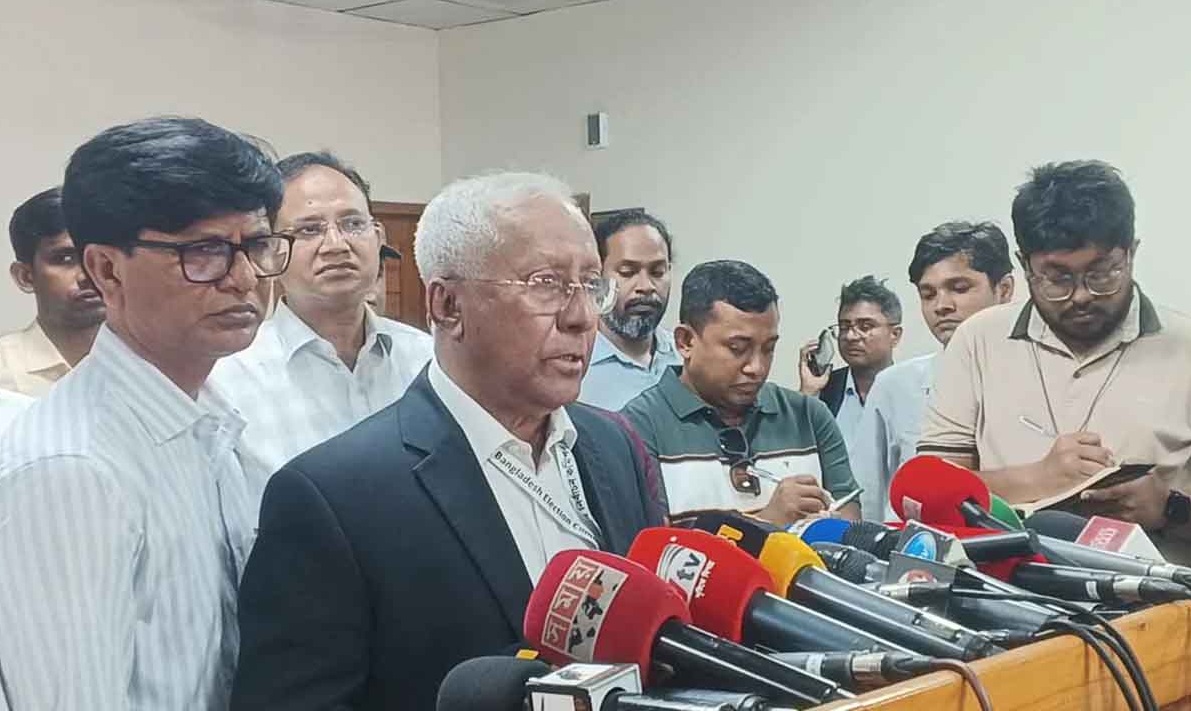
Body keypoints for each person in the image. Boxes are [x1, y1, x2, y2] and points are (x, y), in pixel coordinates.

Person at [231, 172, 663, 710]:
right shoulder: (333, 497)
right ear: (448, 306)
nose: (581, 318)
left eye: (591, 285)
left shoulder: (613, 446)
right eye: (546, 284)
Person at [0, 117, 289, 708]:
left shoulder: (212, 421)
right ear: (107, 270)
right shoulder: (72, 470)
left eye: (257, 246)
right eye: (204, 252)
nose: (243, 279)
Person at [918, 160, 1191, 561]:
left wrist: (1169, 508)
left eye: (1102, 273)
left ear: (1131, 253)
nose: (1081, 295)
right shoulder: (978, 339)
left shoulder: (1183, 346)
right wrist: (1040, 478)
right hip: (1006, 589)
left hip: (1158, 593)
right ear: (1024, 265)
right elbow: (925, 495)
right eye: (1057, 278)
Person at [212, 152, 432, 476]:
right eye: (309, 230)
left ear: (378, 238)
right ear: (270, 250)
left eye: (353, 224)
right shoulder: (227, 379)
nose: (336, 245)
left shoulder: (429, 360)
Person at [621, 260, 859, 526]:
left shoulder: (809, 416)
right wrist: (767, 523)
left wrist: (826, 524)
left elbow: (851, 525)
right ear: (686, 342)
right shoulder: (637, 428)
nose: (756, 367)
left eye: (768, 349)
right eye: (737, 348)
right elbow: (651, 545)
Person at [850, 222, 1014, 518]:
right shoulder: (895, 386)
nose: (941, 306)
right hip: (917, 543)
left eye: (959, 288)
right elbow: (866, 499)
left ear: (1004, 290)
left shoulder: (1041, 378)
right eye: (928, 294)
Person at [0, 187, 105, 395]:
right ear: (25, 276)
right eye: (65, 258)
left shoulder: (152, 362)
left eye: (100, 257)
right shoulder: (5, 370)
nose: (87, 275)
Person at [579, 210, 680, 410]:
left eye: (657, 272)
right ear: (596, 278)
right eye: (627, 272)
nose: (646, 286)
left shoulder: (686, 356)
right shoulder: (576, 366)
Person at [799, 275, 902, 450]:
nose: (850, 336)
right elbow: (793, 452)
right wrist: (808, 393)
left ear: (895, 335)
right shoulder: (823, 391)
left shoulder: (913, 390)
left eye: (865, 327)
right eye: (844, 327)